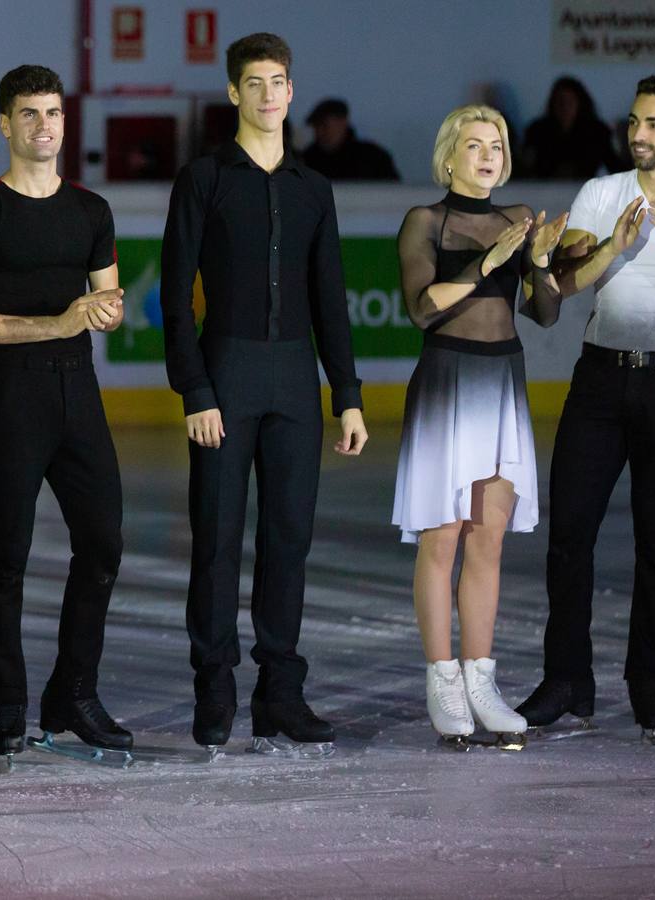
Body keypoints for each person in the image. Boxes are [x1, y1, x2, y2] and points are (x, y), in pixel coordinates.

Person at [518, 76, 655, 742]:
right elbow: (558, 288)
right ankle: (567, 681)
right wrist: (612, 247)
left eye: (654, 123)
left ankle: (650, 686)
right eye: (635, 121)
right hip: (599, 380)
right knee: (570, 536)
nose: (639, 133)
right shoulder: (600, 192)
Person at [160, 33, 368, 758]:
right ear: (234, 93)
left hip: (294, 380)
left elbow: (330, 299)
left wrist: (347, 393)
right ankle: (214, 684)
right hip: (226, 376)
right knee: (216, 540)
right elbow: (175, 296)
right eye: (255, 82)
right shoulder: (204, 179)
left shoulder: (314, 188)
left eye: (279, 80)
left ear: (291, 88)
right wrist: (194, 389)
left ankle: (280, 690)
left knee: (290, 541)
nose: (269, 93)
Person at [0, 64, 129, 764]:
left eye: (52, 113)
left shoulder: (91, 211)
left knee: (104, 542)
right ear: (5, 123)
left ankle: (73, 695)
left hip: (78, 389)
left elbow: (107, 303)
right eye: (29, 114)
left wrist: (98, 313)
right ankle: (6, 703)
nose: (44, 126)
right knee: (8, 556)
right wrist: (58, 322)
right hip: (10, 391)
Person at [392, 106, 567, 747]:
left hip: (502, 384)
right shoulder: (426, 221)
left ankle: (480, 679)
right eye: (474, 144)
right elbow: (420, 309)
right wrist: (489, 262)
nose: (488, 154)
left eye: (496, 144)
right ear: (449, 157)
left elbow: (545, 314)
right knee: (443, 540)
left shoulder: (516, 221)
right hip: (447, 382)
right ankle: (442, 678)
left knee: (487, 542)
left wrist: (539, 262)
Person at [519, 77, 622, 180]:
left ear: (580, 104)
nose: (565, 107)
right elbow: (525, 169)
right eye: (560, 101)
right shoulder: (537, 131)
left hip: (585, 189)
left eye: (570, 102)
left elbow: (614, 166)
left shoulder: (597, 132)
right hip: (544, 191)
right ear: (552, 103)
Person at [301, 98, 398, 181]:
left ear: (343, 123)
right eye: (316, 126)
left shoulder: (374, 158)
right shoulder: (305, 160)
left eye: (325, 125)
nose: (320, 131)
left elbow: (393, 192)